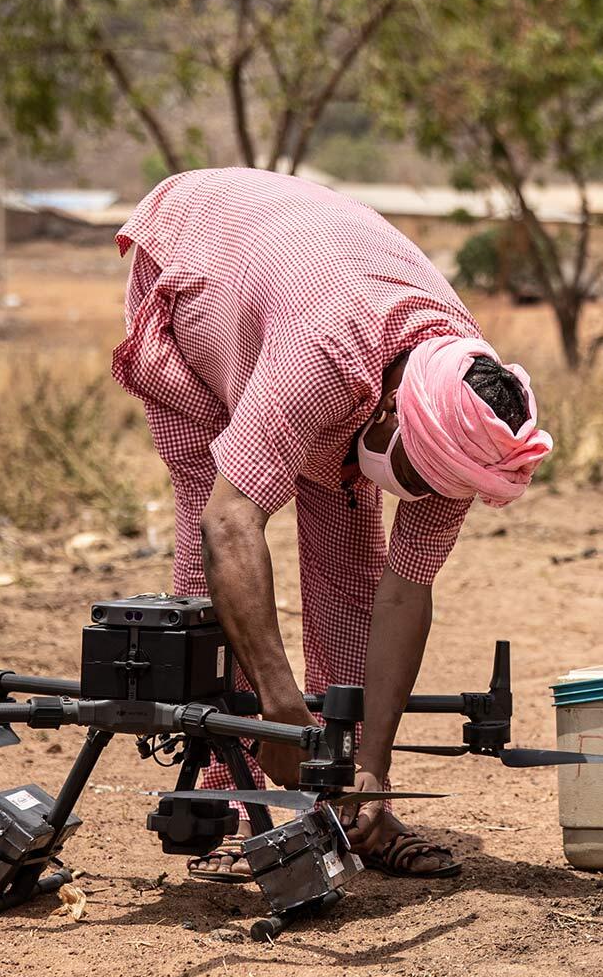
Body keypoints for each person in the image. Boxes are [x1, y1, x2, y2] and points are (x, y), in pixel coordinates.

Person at [112, 168, 552, 880]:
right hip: (202, 259)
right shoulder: (324, 356)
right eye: (414, 477)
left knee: (350, 545)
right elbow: (231, 523)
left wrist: (375, 766)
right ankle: (229, 797)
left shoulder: (466, 426)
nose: (423, 497)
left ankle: (345, 802)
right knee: (208, 516)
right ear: (386, 413)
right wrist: (281, 703)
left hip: (306, 277)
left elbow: (404, 592)